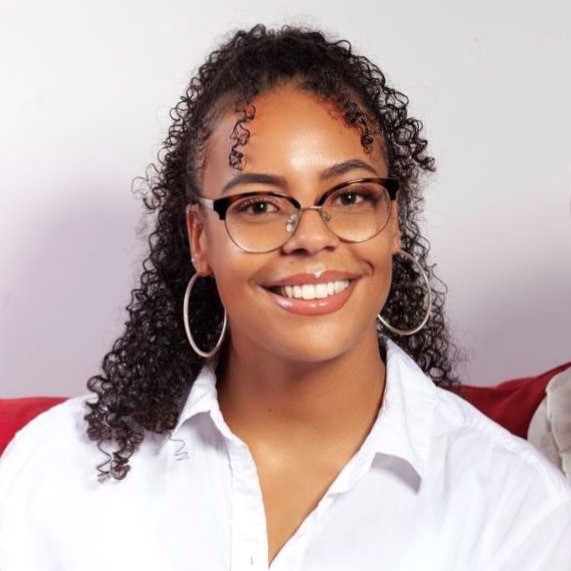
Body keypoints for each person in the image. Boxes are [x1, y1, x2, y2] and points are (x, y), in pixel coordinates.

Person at [0, 24, 569, 571]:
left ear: (393, 221)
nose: (312, 238)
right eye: (259, 206)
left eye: (350, 196)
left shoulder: (516, 510)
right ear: (200, 239)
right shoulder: (57, 470)